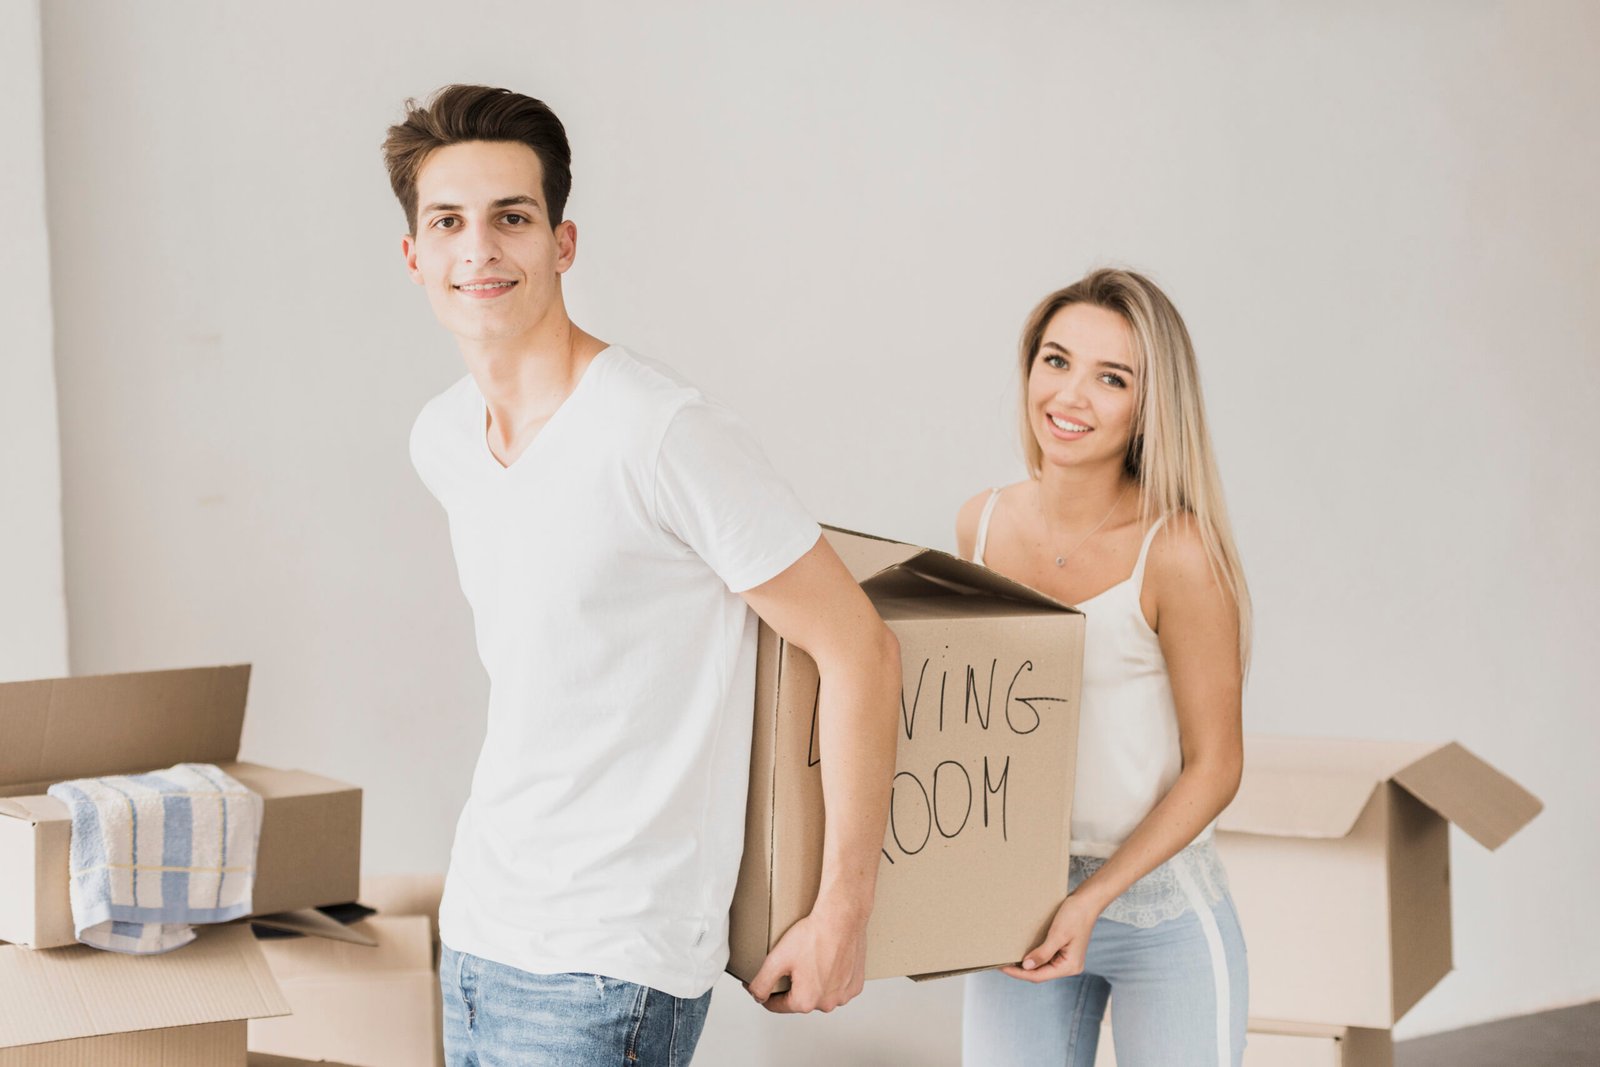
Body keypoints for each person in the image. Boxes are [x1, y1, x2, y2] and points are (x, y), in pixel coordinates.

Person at [383, 84, 901, 1066]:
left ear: (562, 243)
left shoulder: (659, 434)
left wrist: (845, 908)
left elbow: (860, 648)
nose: (478, 249)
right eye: (447, 222)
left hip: (611, 958)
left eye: (512, 218)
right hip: (480, 933)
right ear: (413, 256)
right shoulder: (441, 437)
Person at [957, 269, 1251, 1066]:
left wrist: (1092, 897)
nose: (1071, 396)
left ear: (1149, 405)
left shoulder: (1178, 551)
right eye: (1056, 361)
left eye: (1110, 376)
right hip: (1020, 907)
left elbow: (1217, 765)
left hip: (1162, 914)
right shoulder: (980, 524)